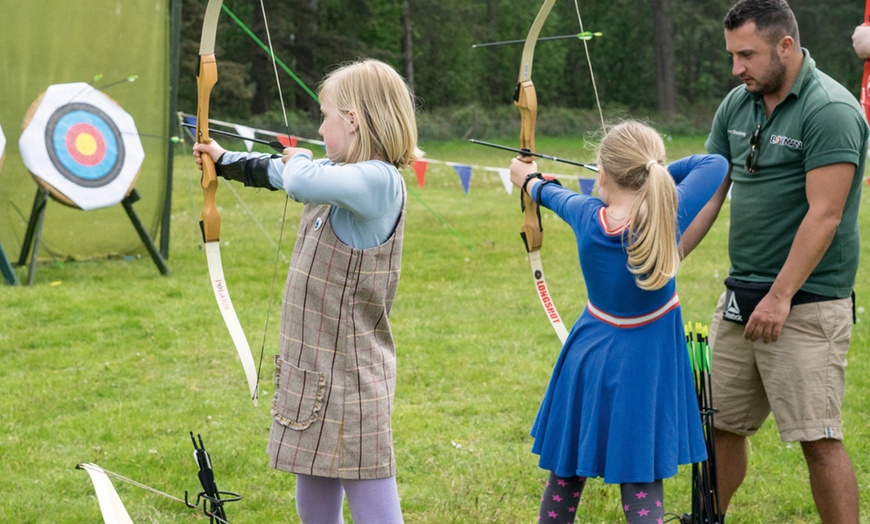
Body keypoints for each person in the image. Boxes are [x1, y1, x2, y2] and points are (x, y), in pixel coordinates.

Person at [194, 59, 418, 524]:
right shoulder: (339, 176)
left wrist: (295, 158)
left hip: (353, 378)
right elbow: (279, 174)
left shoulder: (378, 180)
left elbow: (296, 176)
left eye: (325, 115)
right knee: (312, 471)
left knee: (366, 480)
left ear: (353, 119)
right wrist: (222, 160)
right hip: (313, 369)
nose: (320, 126)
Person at [680, 1, 867, 523]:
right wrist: (668, 257)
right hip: (741, 297)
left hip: (805, 305)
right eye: (732, 55)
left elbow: (825, 215)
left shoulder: (830, 109)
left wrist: (781, 296)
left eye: (747, 55)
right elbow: (712, 193)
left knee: (818, 439)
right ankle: (705, 518)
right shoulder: (737, 104)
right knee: (720, 425)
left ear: (786, 46)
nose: (736, 68)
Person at [509, 120, 728, 523]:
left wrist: (529, 178)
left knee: (567, 470)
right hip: (646, 362)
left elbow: (548, 192)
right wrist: (655, 172)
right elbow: (714, 163)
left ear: (603, 173)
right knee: (640, 477)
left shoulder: (587, 214)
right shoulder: (668, 214)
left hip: (589, 356)